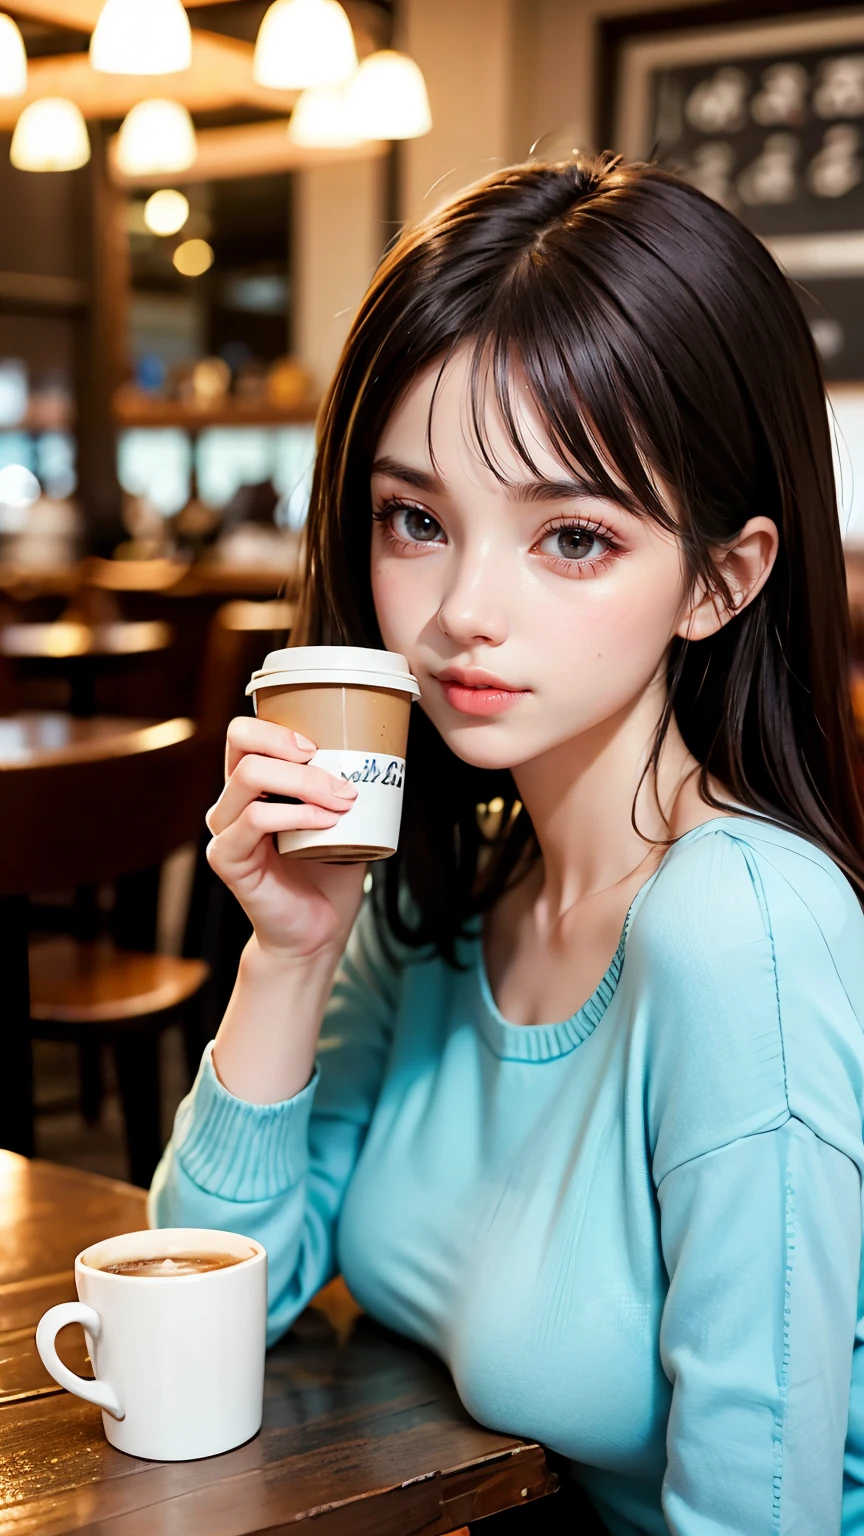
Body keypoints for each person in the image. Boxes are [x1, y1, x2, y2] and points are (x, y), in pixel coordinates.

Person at [149, 154, 864, 1535]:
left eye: (574, 537)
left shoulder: (742, 928)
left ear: (724, 577)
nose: (465, 608)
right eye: (417, 519)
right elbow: (204, 1323)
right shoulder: (456, 888)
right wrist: (289, 954)